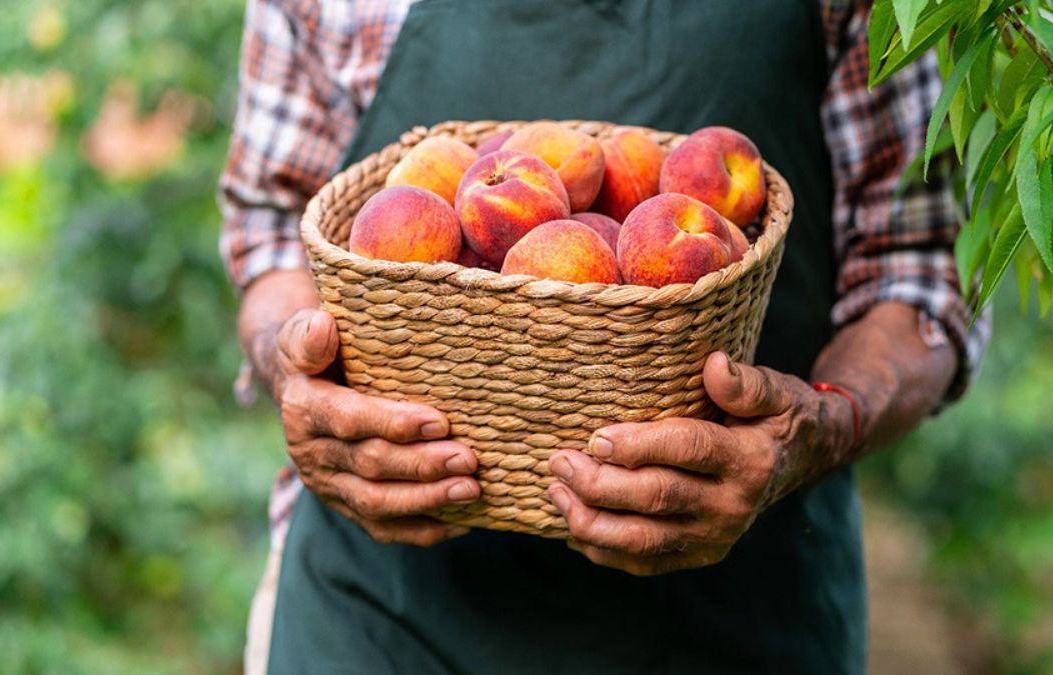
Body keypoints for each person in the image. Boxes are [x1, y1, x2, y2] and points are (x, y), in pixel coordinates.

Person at [219, 0, 987, 672]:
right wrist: (299, 374)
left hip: (738, 619)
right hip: (377, 621)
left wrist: (820, 422)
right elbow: (270, 231)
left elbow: (917, 267)